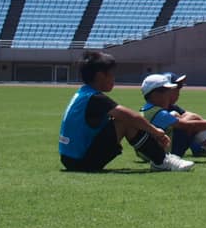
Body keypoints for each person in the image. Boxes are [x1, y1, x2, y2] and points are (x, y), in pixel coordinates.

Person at [58, 51, 192, 172]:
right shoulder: (94, 98)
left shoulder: (83, 93)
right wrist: (155, 131)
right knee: (126, 121)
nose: (113, 78)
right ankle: (161, 160)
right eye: (111, 74)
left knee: (122, 119)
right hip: (81, 161)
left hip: (69, 159)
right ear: (100, 76)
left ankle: (161, 159)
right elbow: (129, 116)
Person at [139, 74, 206, 160]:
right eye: (167, 91)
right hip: (162, 153)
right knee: (191, 128)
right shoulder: (159, 113)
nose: (169, 94)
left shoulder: (146, 110)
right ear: (156, 95)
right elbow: (188, 125)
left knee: (183, 120)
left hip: (146, 153)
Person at [162, 71, 206, 157]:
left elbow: (194, 116)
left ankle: (200, 149)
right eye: (177, 87)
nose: (179, 91)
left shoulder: (172, 107)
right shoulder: (159, 109)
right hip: (166, 151)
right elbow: (188, 124)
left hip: (167, 147)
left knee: (193, 124)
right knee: (191, 126)